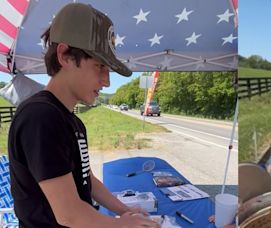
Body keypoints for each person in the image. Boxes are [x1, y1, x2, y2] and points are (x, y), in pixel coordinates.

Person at [8, 3, 160, 228]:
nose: (107, 81)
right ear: (65, 56)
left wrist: (124, 210)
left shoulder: (71, 120)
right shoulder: (40, 117)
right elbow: (69, 214)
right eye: (99, 66)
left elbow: (86, 179)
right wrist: (123, 225)